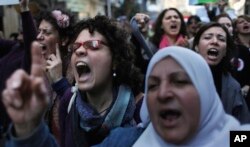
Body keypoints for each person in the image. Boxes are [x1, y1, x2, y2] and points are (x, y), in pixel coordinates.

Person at [2, 15, 144, 147]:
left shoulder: (142, 109)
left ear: (115, 59)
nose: (79, 51)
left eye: (93, 45)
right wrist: (29, 129)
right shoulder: (68, 103)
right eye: (76, 47)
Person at [95, 46, 250, 147]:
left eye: (179, 81)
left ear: (205, 92)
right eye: (153, 86)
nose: (163, 94)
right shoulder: (124, 141)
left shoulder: (236, 139)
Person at [192, 22, 250, 123]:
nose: (215, 41)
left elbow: (243, 131)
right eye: (207, 37)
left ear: (225, 51)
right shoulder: (180, 79)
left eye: (221, 39)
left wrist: (229, 138)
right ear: (196, 47)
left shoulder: (233, 87)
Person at [0, 0, 37, 136]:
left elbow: (31, 41)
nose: (22, 29)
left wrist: (24, 9)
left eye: (26, 27)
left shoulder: (28, 54)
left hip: (11, 123)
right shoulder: (13, 47)